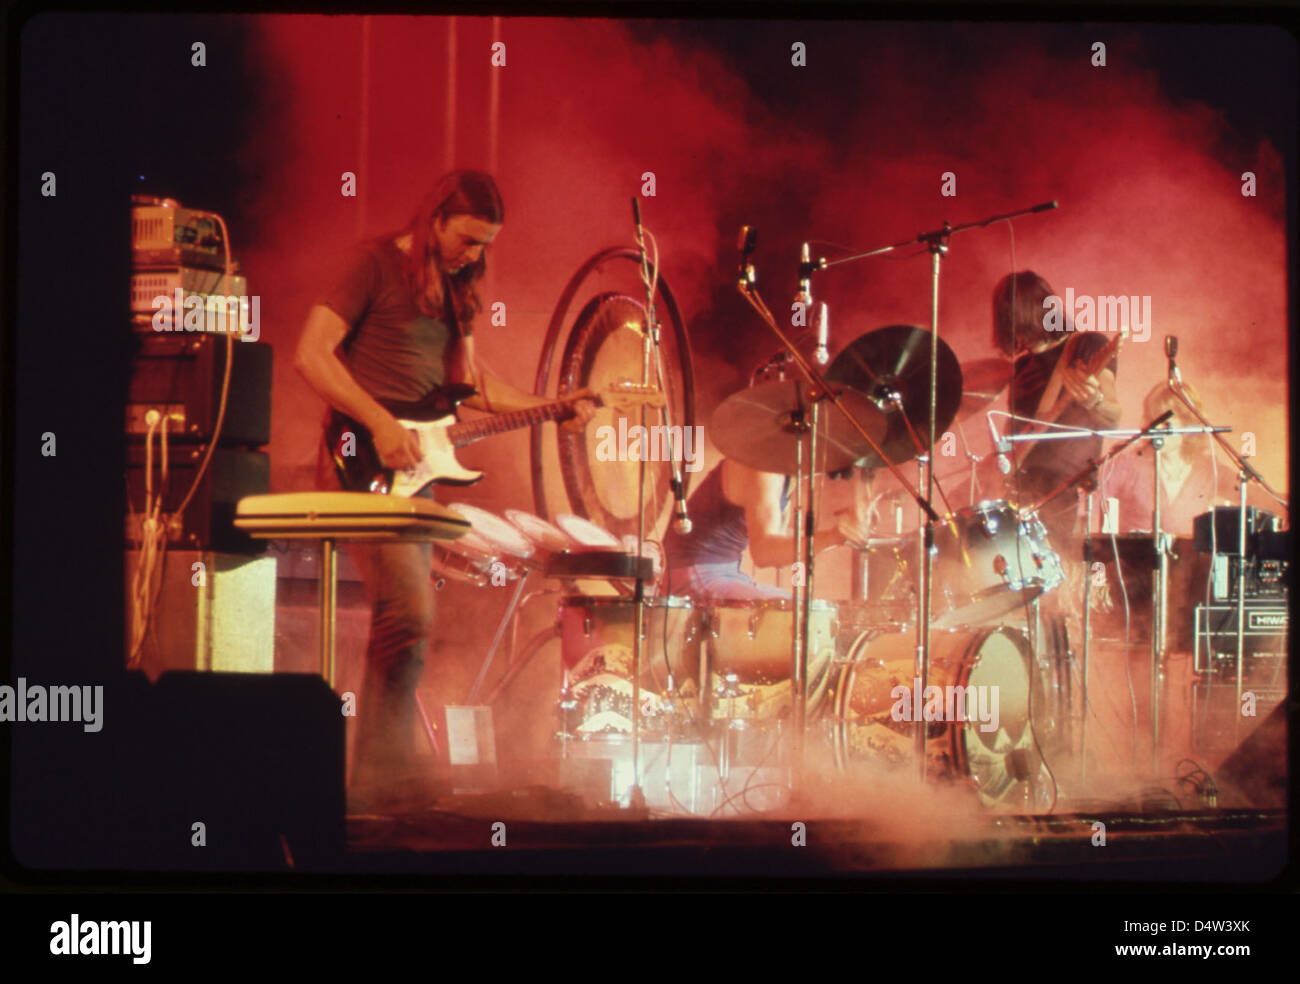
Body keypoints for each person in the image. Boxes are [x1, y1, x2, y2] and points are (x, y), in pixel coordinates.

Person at [293, 171, 593, 811]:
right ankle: (379, 779)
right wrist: (376, 420)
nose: (473, 255)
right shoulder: (371, 264)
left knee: (409, 618)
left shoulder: (459, 291)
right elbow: (312, 355)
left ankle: (383, 772)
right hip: (359, 458)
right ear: (433, 221)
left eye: (484, 245)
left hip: (418, 471)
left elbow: (475, 384)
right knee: (409, 613)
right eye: (465, 240)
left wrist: (553, 405)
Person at [993, 271, 1123, 550]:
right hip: (1018, 493)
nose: (1014, 331)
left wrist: (1095, 402)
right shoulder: (1021, 368)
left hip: (1064, 492)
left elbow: (1113, 417)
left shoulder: (1086, 346)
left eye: (1014, 320)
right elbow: (1012, 434)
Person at [664, 456, 876, 601]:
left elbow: (779, 542)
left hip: (722, 572)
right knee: (802, 618)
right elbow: (765, 552)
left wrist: (838, 536)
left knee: (810, 612)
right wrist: (833, 536)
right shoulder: (764, 470)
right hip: (691, 573)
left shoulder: (782, 472)